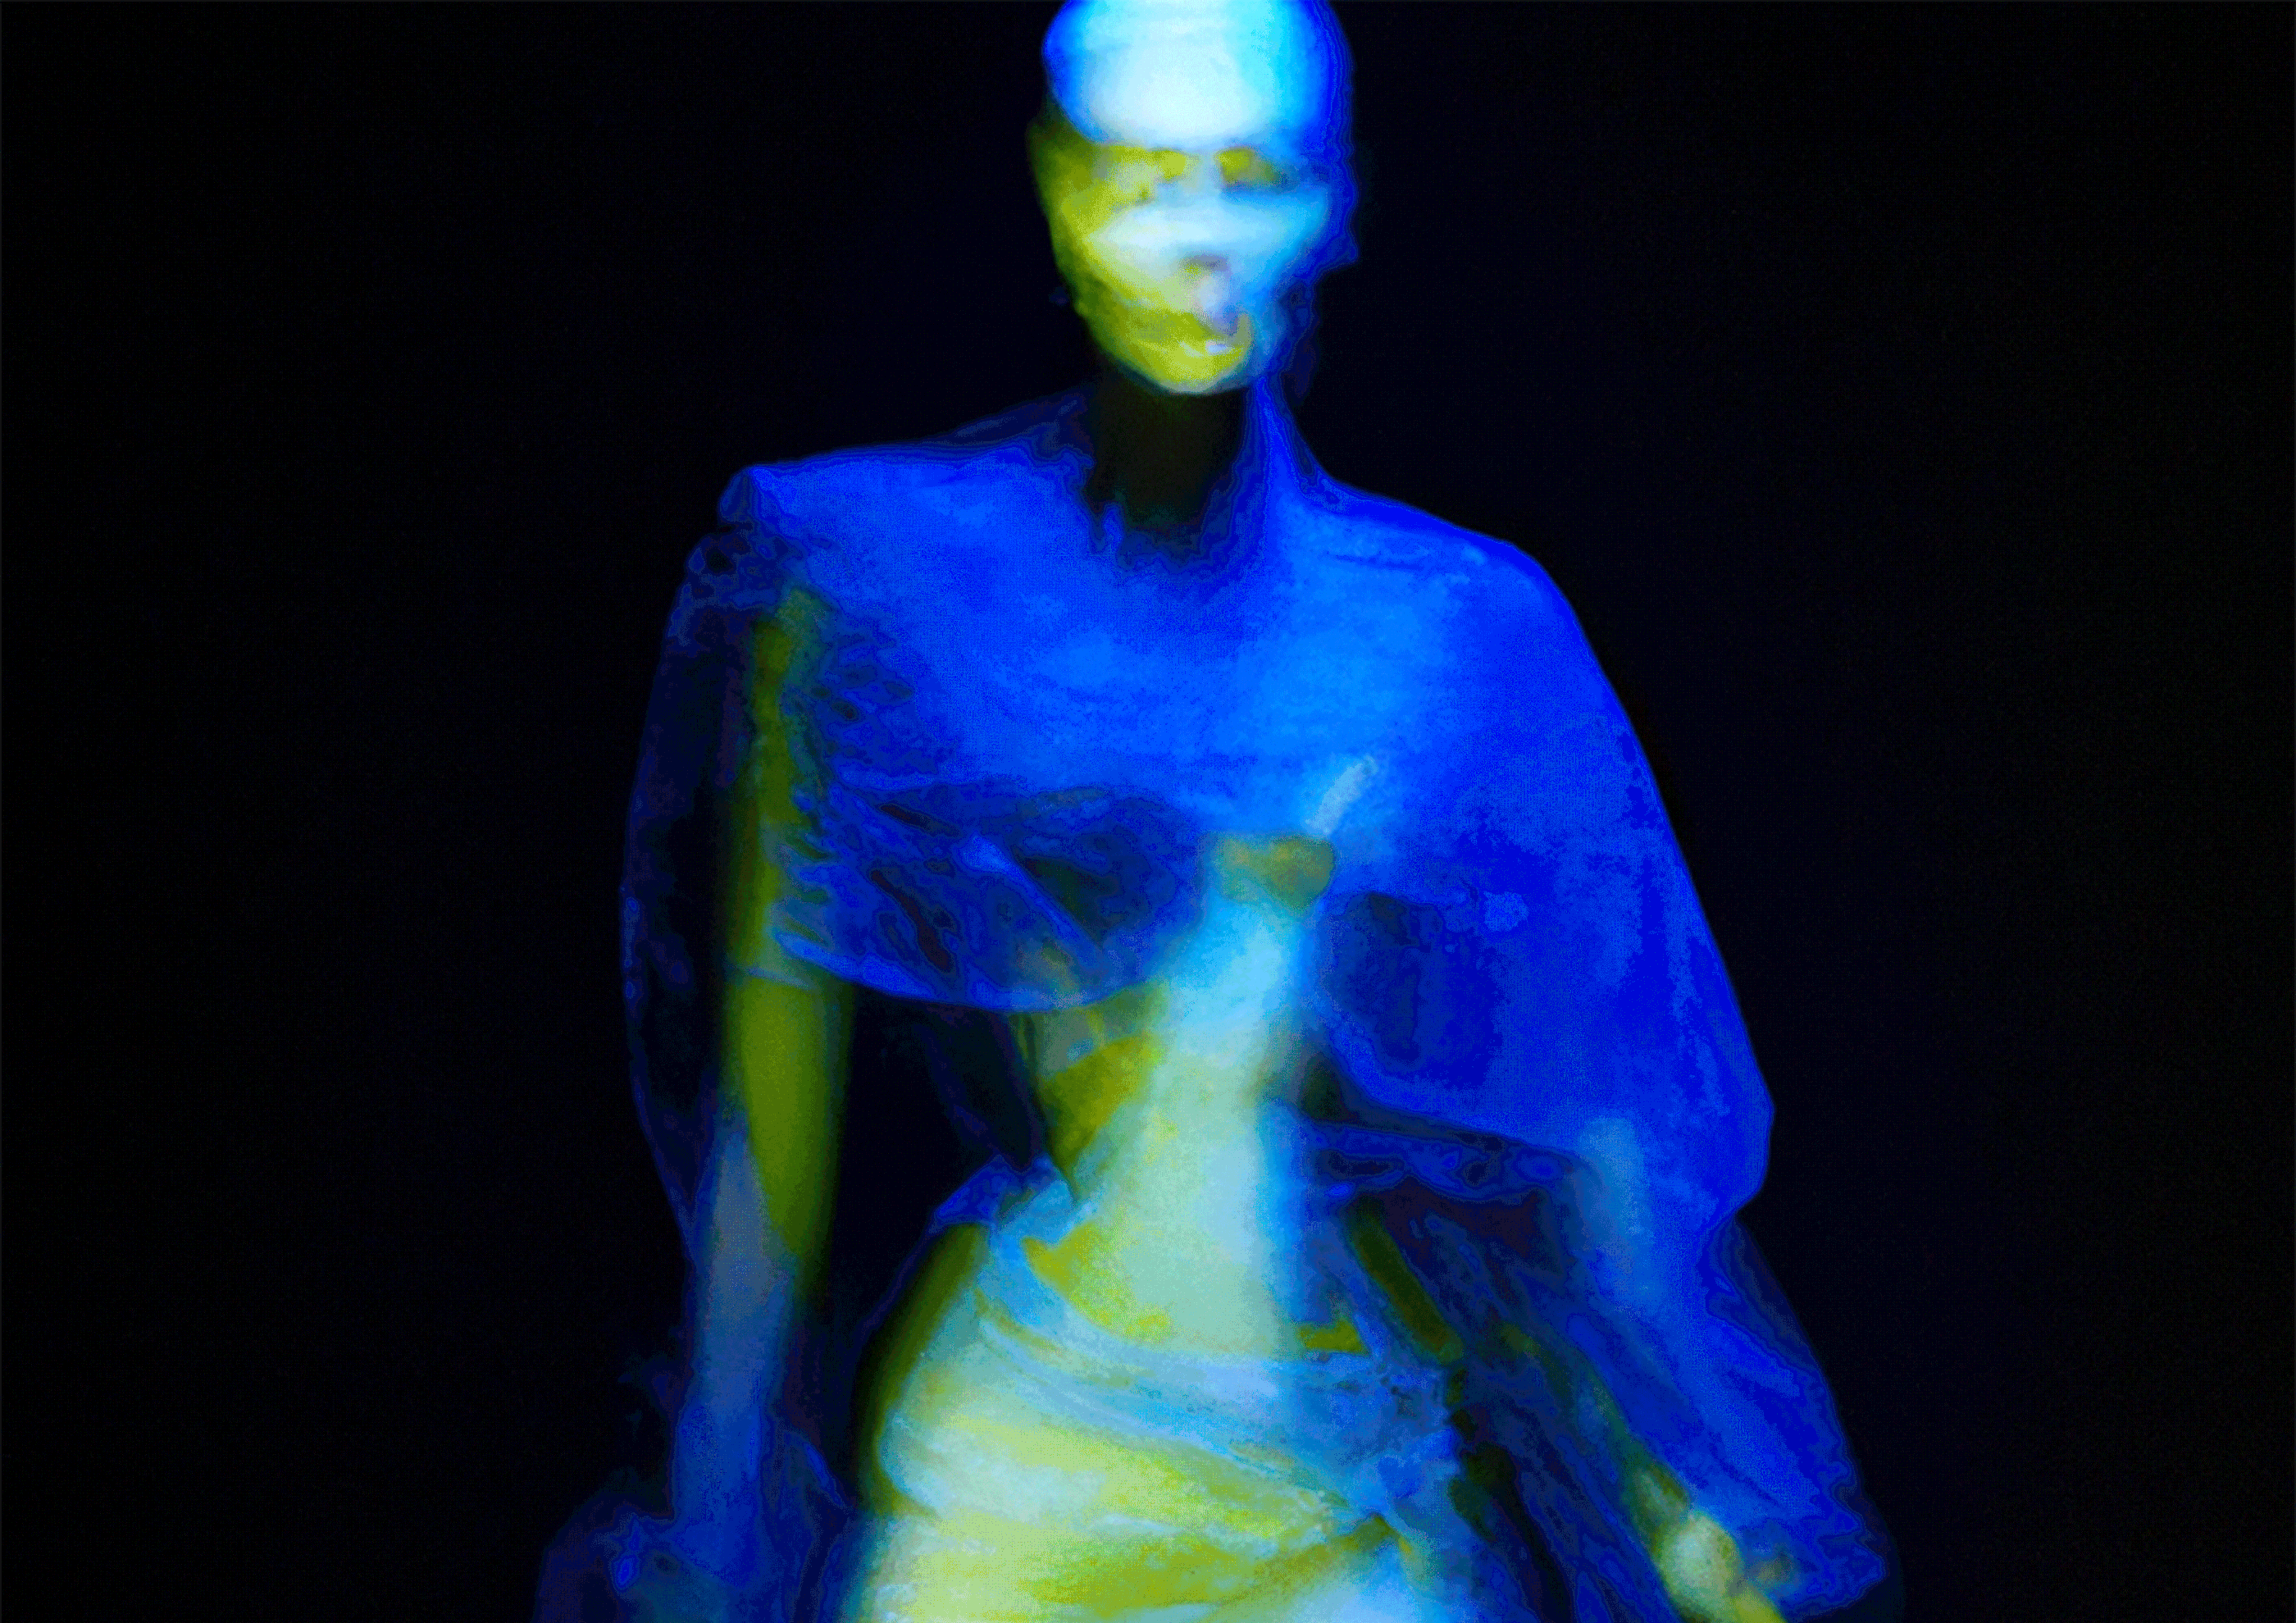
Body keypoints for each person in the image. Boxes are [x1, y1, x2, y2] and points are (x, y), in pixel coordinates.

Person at [542, 2, 1898, 1619]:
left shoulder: (1453, 631)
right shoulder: (880, 581)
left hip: (1323, 1472)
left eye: (1250, 179)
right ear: (1058, 194)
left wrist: (1688, 1481)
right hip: (1029, 1454)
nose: (1197, 240)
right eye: (1142, 179)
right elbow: (773, 1109)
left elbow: (1587, 1127)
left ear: (1338, 201)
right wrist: (719, 1484)